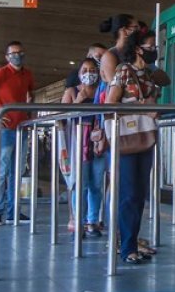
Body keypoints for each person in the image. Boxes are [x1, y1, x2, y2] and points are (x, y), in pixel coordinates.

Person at [100, 14, 158, 263]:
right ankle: (126, 247)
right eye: (150, 47)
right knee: (127, 192)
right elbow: (111, 104)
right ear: (137, 49)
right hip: (126, 136)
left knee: (139, 192)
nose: (153, 51)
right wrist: (141, 108)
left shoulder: (150, 75)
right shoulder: (123, 71)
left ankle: (132, 241)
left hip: (145, 135)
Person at [0, 41, 35, 224]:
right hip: (5, 129)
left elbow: (31, 93)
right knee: (2, 171)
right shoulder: (1, 73)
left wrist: (30, 115)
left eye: (20, 52)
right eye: (13, 53)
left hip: (21, 128)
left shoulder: (27, 74)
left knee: (17, 171)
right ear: (7, 57)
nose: (17, 55)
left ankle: (14, 211)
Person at [62, 58, 104, 236]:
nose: (89, 73)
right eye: (85, 70)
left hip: (100, 142)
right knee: (81, 184)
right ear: (79, 74)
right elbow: (62, 117)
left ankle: (92, 221)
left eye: (93, 69)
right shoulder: (72, 92)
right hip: (79, 144)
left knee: (96, 183)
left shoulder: (102, 90)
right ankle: (78, 221)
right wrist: (78, 101)